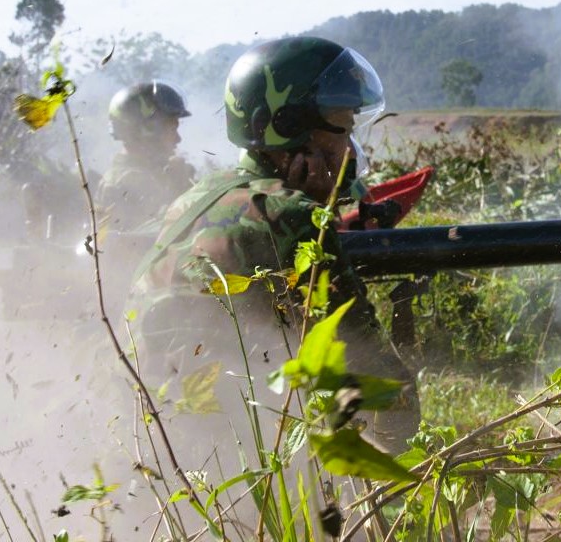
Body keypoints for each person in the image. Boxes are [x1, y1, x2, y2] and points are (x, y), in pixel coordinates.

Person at [132, 36, 419, 451]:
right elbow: (392, 405)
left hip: (152, 439)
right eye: (342, 126)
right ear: (290, 128)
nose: (350, 145)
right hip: (224, 455)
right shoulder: (290, 217)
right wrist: (317, 217)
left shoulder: (196, 199)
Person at [98, 81, 197, 237]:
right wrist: (180, 189)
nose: (178, 139)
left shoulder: (156, 172)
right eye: (171, 129)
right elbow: (144, 244)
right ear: (147, 131)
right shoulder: (120, 184)